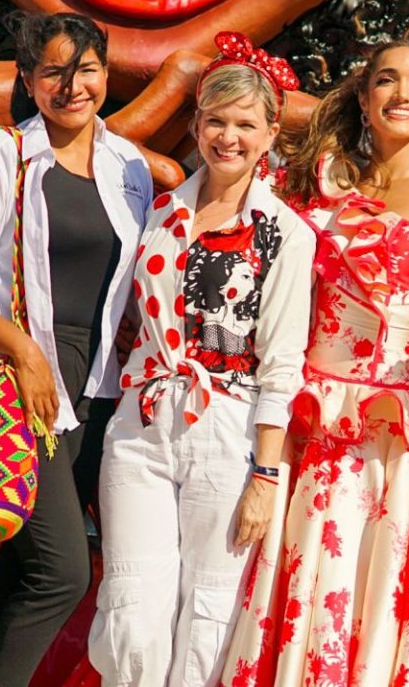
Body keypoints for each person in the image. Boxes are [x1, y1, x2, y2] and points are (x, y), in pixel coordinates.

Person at [223, 42, 409, 687]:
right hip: (302, 407)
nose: (401, 95)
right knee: (287, 564)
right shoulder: (317, 178)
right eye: (386, 81)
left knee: (369, 575)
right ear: (364, 97)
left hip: (389, 416)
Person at [0, 12, 154, 687]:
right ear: (28, 78)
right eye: (53, 70)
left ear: (106, 77)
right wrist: (24, 353)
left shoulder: (129, 166)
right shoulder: (6, 153)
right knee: (61, 569)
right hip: (24, 380)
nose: (72, 84)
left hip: (100, 388)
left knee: (27, 570)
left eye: (86, 69)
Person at [88, 35, 314, 687]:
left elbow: (282, 361)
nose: (228, 135)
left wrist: (266, 477)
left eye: (246, 123)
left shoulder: (284, 234)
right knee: (131, 610)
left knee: (208, 620)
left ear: (271, 133)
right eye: (216, 119)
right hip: (142, 425)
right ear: (196, 124)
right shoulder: (159, 211)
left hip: (231, 431)